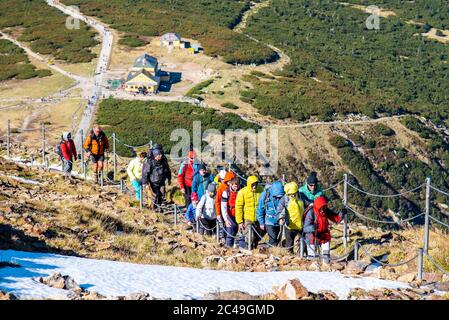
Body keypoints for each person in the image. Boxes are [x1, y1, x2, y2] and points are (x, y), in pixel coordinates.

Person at [303, 196, 347, 264]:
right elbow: (305, 228)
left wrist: (342, 214)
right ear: (317, 207)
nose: (323, 210)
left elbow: (336, 219)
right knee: (312, 258)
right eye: (321, 208)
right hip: (312, 236)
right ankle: (312, 270)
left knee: (326, 254)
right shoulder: (311, 212)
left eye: (324, 207)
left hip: (324, 234)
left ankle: (325, 266)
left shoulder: (326, 210)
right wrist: (313, 228)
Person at [235, 175, 264, 249]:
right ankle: (249, 251)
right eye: (252, 184)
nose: (254, 186)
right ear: (249, 184)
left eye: (255, 184)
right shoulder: (242, 192)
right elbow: (238, 207)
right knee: (249, 237)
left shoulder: (261, 190)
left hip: (258, 218)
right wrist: (240, 222)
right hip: (247, 219)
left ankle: (255, 252)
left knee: (257, 237)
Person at [277, 182, 304, 254]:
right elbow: (280, 210)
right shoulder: (284, 199)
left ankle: (301, 256)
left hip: (301, 225)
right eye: (290, 194)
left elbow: (306, 206)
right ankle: (289, 257)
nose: (292, 195)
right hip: (289, 226)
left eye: (294, 193)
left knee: (303, 243)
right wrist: (281, 218)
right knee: (289, 243)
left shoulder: (301, 197)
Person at [256, 181, 285, 247]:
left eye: (280, 197)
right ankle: (272, 252)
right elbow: (260, 209)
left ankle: (270, 250)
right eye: (277, 196)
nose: (278, 198)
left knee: (277, 239)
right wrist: (261, 222)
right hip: (269, 220)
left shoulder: (284, 196)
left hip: (279, 220)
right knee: (273, 237)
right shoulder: (265, 195)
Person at [221, 177, 241, 247]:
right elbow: (223, 207)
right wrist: (226, 219)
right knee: (230, 233)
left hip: (240, 214)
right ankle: (228, 248)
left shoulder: (241, 191)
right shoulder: (226, 193)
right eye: (234, 186)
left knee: (240, 234)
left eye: (237, 185)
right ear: (231, 185)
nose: (236, 187)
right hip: (230, 215)